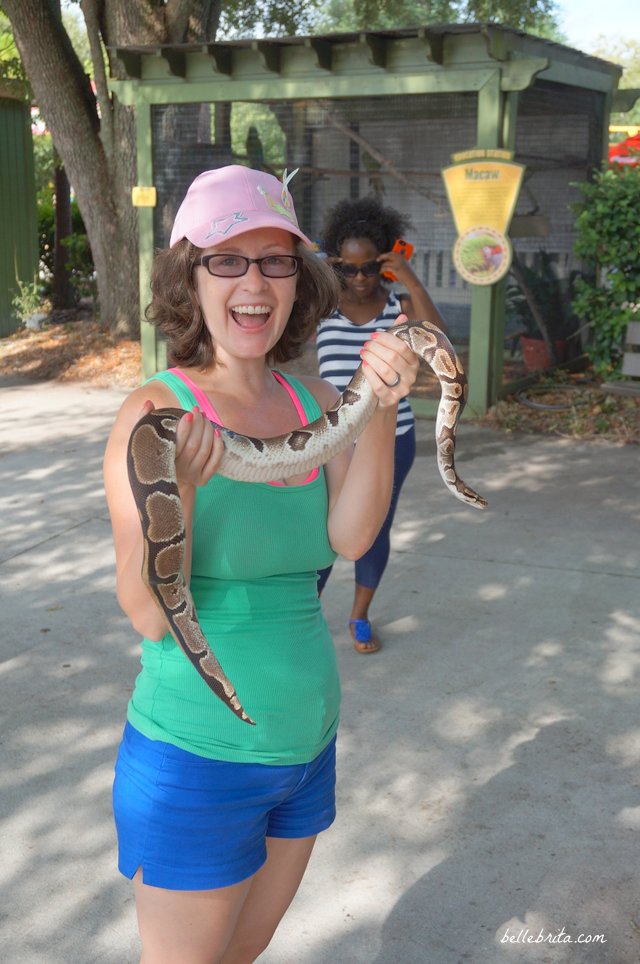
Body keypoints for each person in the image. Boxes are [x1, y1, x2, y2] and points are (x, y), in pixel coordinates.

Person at [103, 165, 419, 964]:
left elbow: (351, 537)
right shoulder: (154, 415)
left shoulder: (314, 404)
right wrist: (180, 490)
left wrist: (372, 404)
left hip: (306, 750)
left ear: (297, 279)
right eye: (228, 259)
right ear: (191, 277)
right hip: (197, 759)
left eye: (276, 259)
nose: (255, 280)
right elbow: (146, 613)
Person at [316, 195, 448, 654]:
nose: (358, 278)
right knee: (319, 529)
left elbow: (439, 344)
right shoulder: (322, 305)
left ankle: (359, 615)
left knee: (373, 526)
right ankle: (305, 613)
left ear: (384, 263)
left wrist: (408, 277)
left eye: (369, 267)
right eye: (347, 268)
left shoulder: (399, 308)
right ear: (335, 264)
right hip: (331, 441)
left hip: (394, 437)